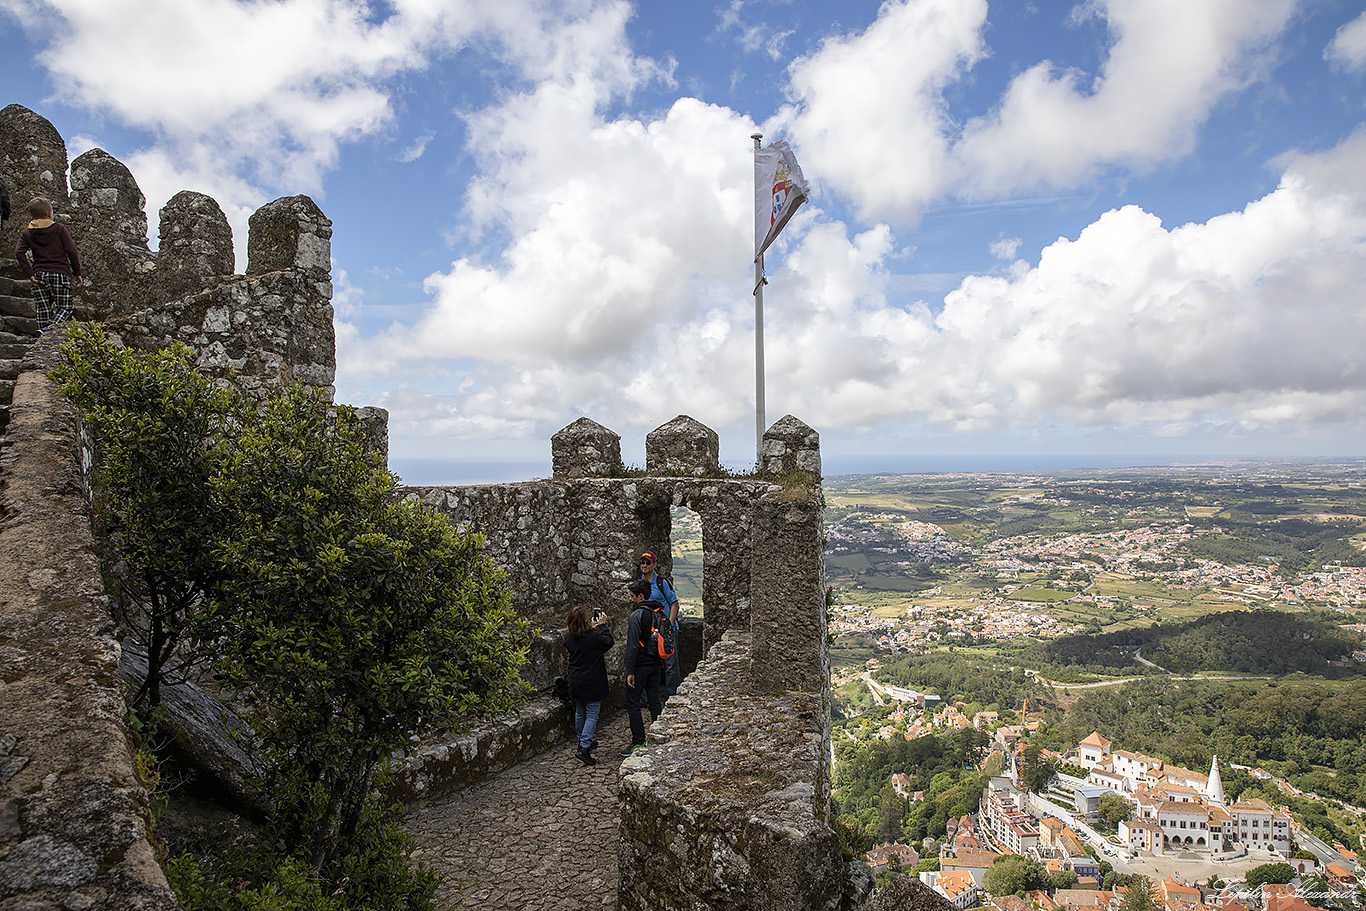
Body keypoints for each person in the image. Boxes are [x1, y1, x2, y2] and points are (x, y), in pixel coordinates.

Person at [15, 196, 82, 331]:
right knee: (65, 307)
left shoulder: (27, 232)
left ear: (31, 215)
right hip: (59, 273)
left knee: (43, 309)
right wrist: (76, 272)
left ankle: (42, 331)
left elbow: (19, 252)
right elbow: (72, 251)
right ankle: (48, 329)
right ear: (50, 213)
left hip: (39, 274)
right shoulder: (59, 229)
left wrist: (30, 274)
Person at [619, 579, 666, 758]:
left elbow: (632, 646)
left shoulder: (636, 616)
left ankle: (638, 741)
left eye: (632, 596)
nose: (630, 599)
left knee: (632, 702)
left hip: (640, 665)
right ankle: (660, 735)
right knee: (654, 701)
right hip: (656, 663)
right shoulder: (657, 612)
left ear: (641, 596)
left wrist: (629, 671)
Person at [563, 603, 613, 766]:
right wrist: (603, 626)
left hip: (575, 680)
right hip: (591, 681)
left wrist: (590, 628)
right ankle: (584, 747)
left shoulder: (569, 638)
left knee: (580, 711)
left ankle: (583, 740)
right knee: (592, 713)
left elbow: (581, 640)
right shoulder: (592, 638)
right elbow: (607, 643)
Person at [636, 550, 682, 695]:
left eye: (648, 563)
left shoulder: (662, 583)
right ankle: (646, 698)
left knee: (670, 665)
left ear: (654, 564)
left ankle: (672, 695)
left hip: (666, 631)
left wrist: (668, 625)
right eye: (642, 562)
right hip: (649, 632)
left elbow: (674, 604)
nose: (644, 565)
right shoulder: (640, 584)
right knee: (646, 664)